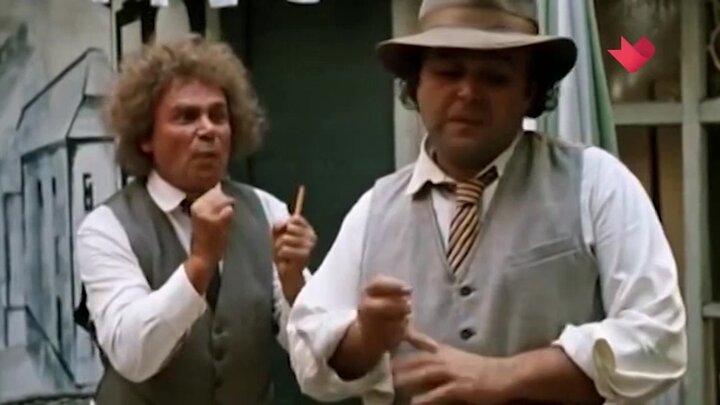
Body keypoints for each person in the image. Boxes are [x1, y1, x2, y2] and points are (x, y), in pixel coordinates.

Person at [285, 0, 687, 403]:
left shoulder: (596, 182)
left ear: (530, 91)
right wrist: (366, 337)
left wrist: (506, 375)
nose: (468, 92)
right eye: (448, 72)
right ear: (416, 83)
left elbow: (659, 336)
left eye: (495, 77)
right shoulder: (374, 210)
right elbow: (308, 354)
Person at [74, 36, 317, 404]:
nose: (208, 130)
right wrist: (200, 264)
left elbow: (311, 354)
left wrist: (295, 284)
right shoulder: (107, 227)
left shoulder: (267, 212)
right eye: (186, 117)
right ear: (145, 137)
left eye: (218, 116)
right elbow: (133, 355)